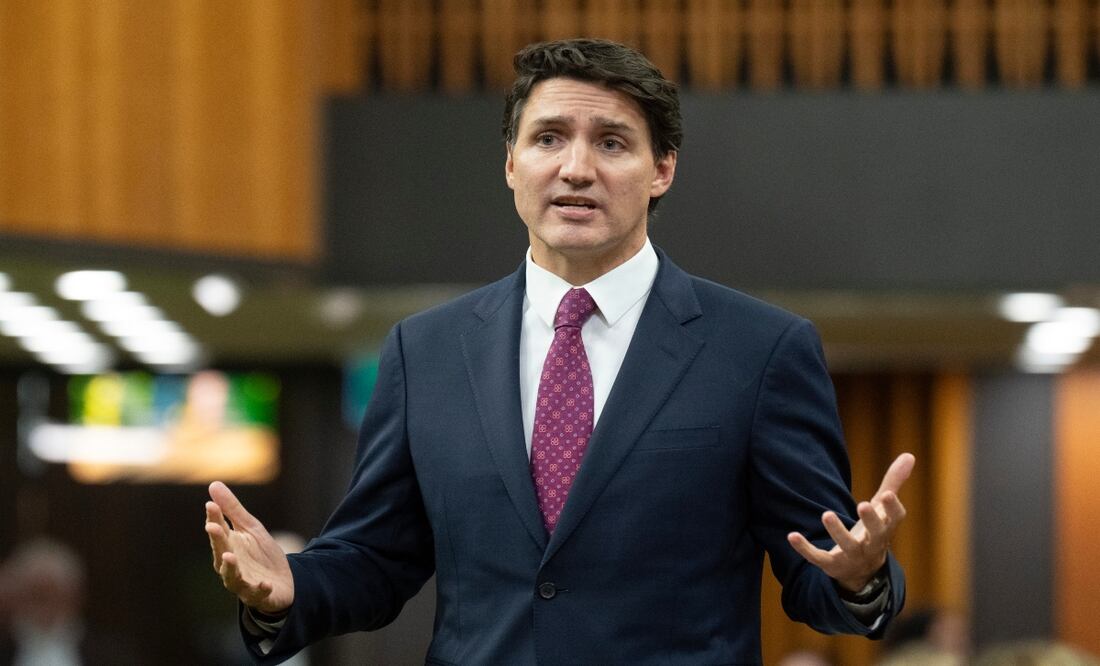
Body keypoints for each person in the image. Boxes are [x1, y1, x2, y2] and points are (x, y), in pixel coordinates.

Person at [205, 38, 913, 664]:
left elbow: (816, 564)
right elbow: (375, 557)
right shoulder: (426, 352)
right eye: (548, 139)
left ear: (661, 168)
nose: (576, 168)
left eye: (611, 142)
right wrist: (290, 588)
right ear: (511, 163)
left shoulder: (760, 351)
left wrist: (859, 575)